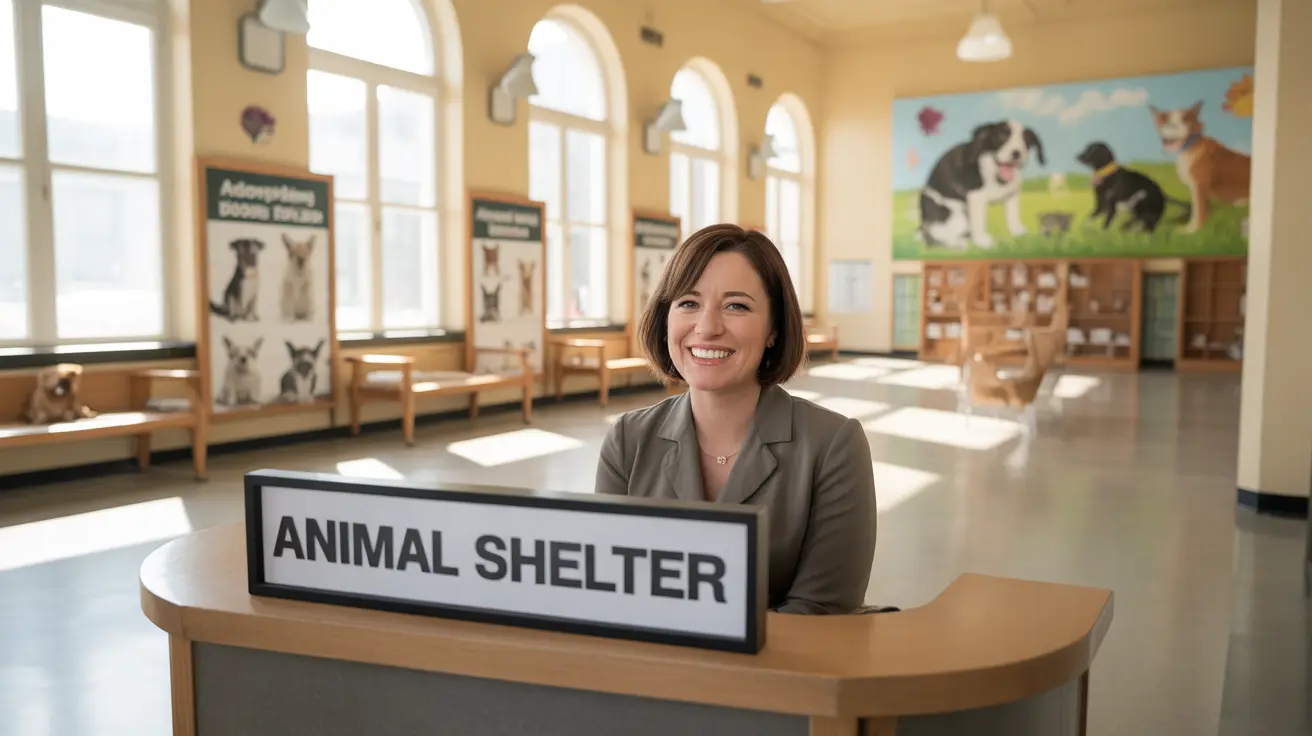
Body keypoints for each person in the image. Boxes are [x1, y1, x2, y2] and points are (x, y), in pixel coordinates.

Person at [594, 224, 877, 615]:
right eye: (688, 303)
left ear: (773, 329)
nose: (707, 327)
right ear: (665, 318)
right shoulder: (627, 440)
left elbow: (822, 614)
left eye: (736, 306)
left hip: (782, 673)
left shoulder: (833, 445)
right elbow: (612, 591)